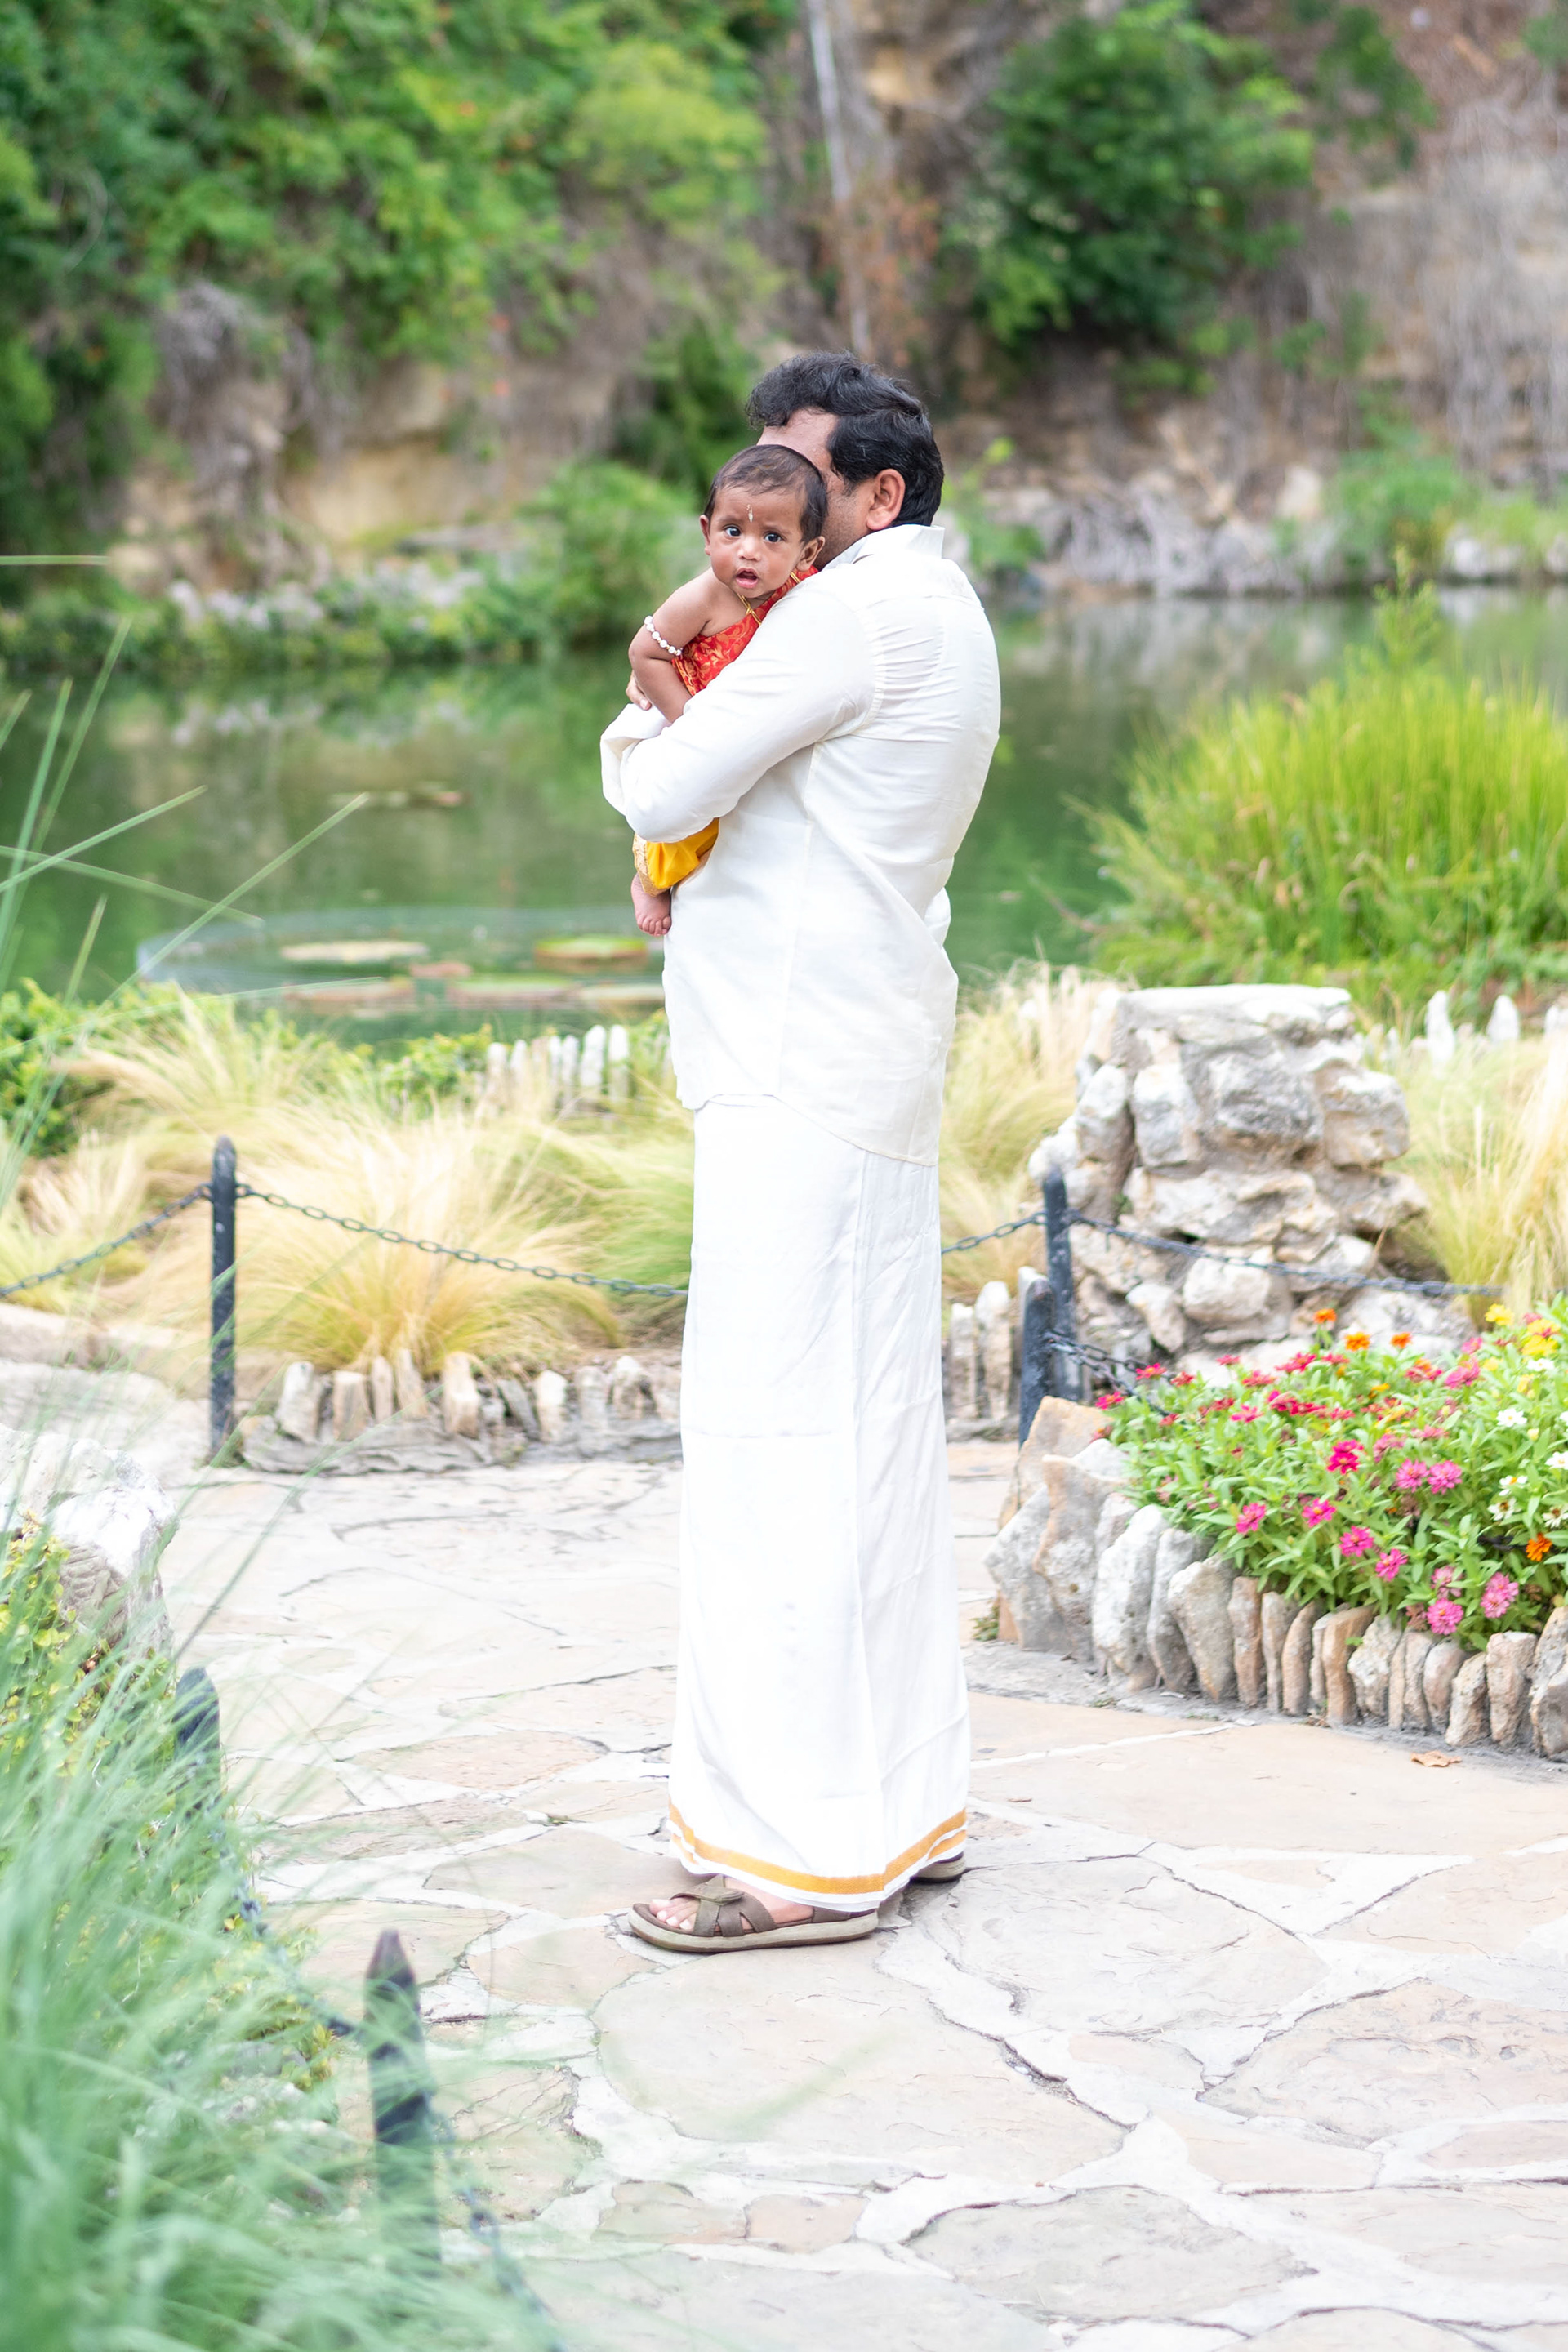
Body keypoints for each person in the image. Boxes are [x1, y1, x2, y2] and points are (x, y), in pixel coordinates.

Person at [601, 351, 1000, 1953]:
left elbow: (662, 783)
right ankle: (896, 1810)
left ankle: (793, 1860)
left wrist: (648, 694)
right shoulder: (941, 602)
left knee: (776, 1445)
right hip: (862, 1049)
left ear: (880, 493)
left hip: (792, 1062)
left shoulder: (843, 612)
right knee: (871, 1436)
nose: (768, 504)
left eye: (801, 475)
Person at [627, 443, 826, 938]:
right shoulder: (702, 598)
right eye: (732, 531)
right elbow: (645, 654)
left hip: (755, 725)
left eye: (773, 537)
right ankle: (647, 880)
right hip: (697, 715)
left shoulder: (810, 588)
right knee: (687, 823)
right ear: (706, 533)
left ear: (807, 552)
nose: (749, 550)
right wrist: (688, 722)